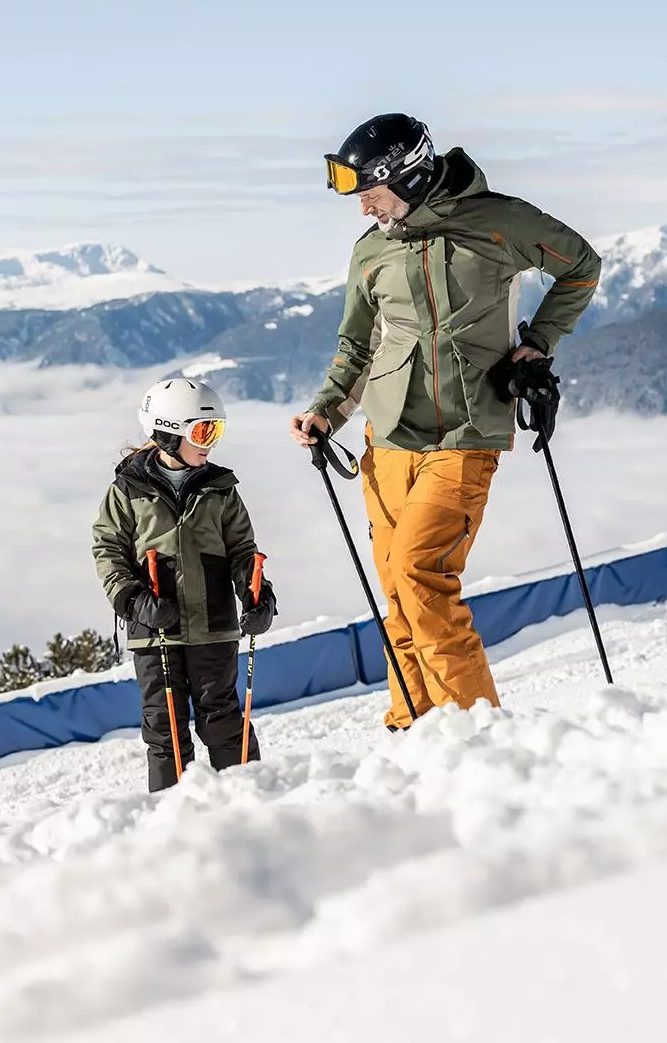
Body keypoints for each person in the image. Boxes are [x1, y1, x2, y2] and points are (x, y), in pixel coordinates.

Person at [288, 113, 602, 729]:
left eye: (370, 195)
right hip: (388, 437)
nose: (362, 211)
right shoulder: (372, 251)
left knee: (420, 573)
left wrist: (538, 343)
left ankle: (476, 731)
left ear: (402, 176)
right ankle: (416, 726)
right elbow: (356, 345)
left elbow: (580, 266)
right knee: (397, 595)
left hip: (465, 434)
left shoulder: (498, 222)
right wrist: (327, 410)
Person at [93, 378, 277, 789]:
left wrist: (258, 596)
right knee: (165, 730)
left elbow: (243, 550)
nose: (210, 443)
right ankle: (172, 820)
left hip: (212, 625)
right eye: (202, 432)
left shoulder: (221, 489)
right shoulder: (128, 490)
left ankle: (252, 803)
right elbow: (108, 551)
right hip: (155, 627)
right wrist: (134, 601)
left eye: (216, 431)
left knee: (224, 720)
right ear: (168, 432)